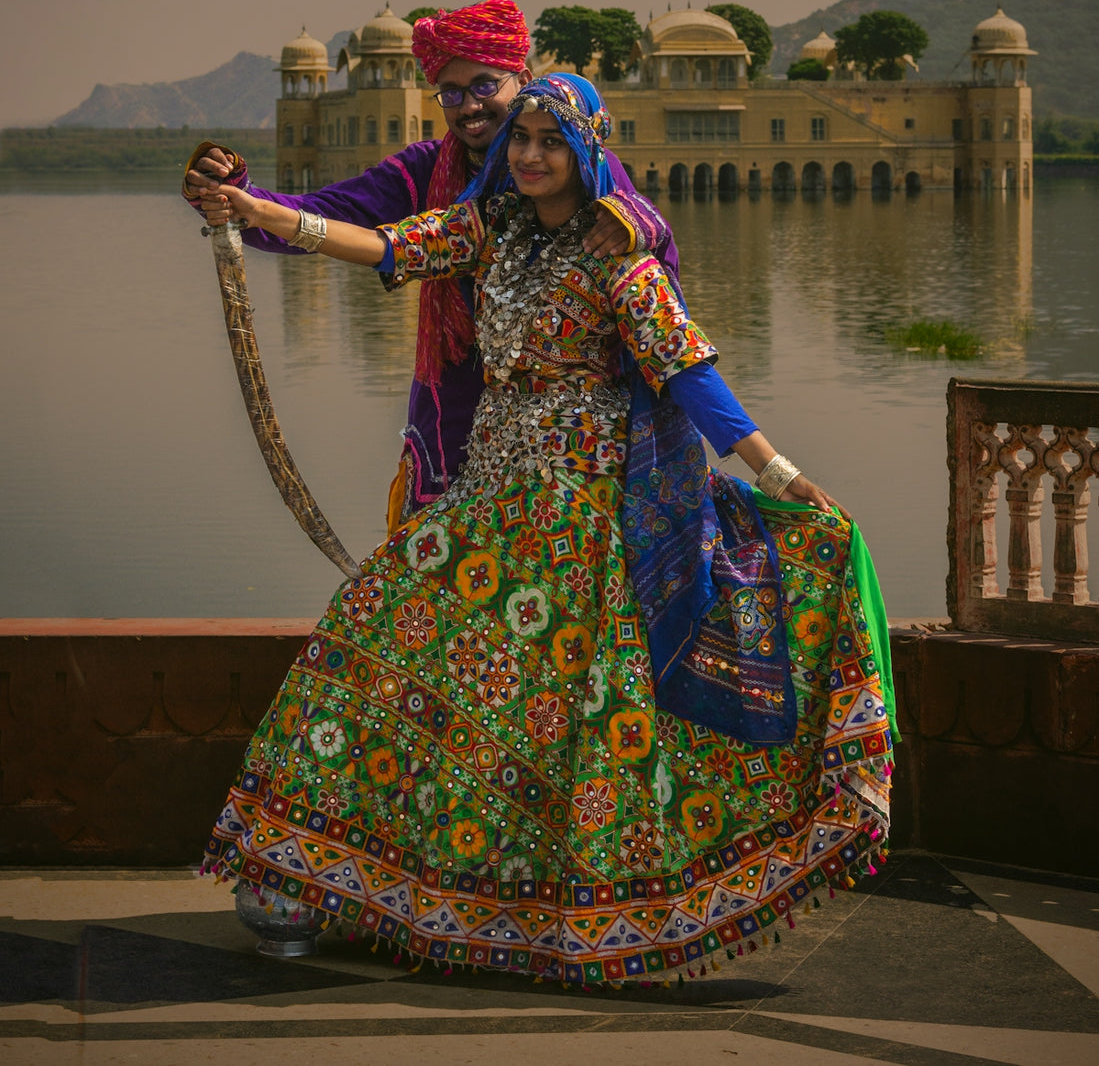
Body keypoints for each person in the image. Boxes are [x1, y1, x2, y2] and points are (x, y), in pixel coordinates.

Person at [199, 74, 894, 987]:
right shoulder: (488, 231)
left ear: (587, 153)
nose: (526, 156)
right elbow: (386, 247)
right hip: (488, 501)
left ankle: (567, 915)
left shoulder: (620, 257)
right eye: (518, 138)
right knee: (374, 637)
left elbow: (688, 374)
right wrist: (262, 213)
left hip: (584, 518)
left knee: (571, 716)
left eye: (548, 143)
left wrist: (782, 474)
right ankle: (318, 880)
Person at [183, 0, 674, 523]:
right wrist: (238, 199)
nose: (469, 106)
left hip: (574, 440)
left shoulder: (582, 170)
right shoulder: (430, 176)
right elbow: (331, 222)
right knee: (435, 576)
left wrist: (638, 221)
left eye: (486, 85)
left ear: (523, 79)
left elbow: (657, 294)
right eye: (452, 92)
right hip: (457, 406)